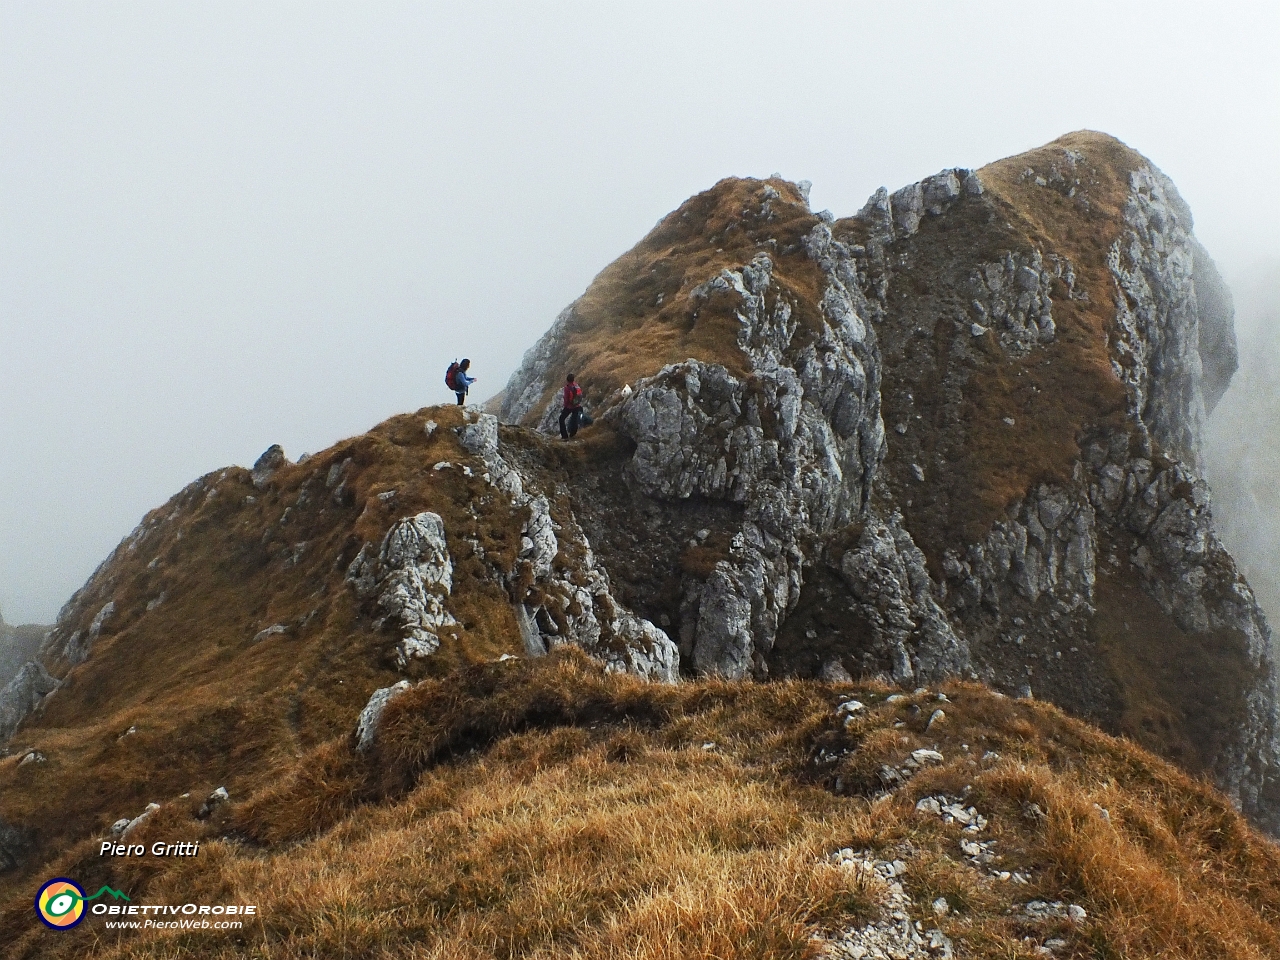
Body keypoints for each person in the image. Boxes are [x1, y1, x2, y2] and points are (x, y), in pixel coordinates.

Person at [559, 373, 584, 440]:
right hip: (577, 406)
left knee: (561, 419)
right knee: (574, 419)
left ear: (567, 380)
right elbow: (580, 395)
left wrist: (565, 406)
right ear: (573, 379)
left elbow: (566, 399)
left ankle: (564, 436)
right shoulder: (576, 385)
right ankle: (573, 435)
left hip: (569, 407)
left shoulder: (567, 388)